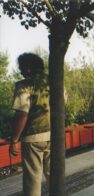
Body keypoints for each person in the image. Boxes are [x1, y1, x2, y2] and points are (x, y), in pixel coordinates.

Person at [9, 53, 50, 196]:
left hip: (33, 138)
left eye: (21, 67)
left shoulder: (24, 85)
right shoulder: (56, 81)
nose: (20, 71)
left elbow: (22, 114)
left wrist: (14, 140)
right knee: (55, 177)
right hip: (55, 135)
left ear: (28, 68)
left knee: (32, 180)